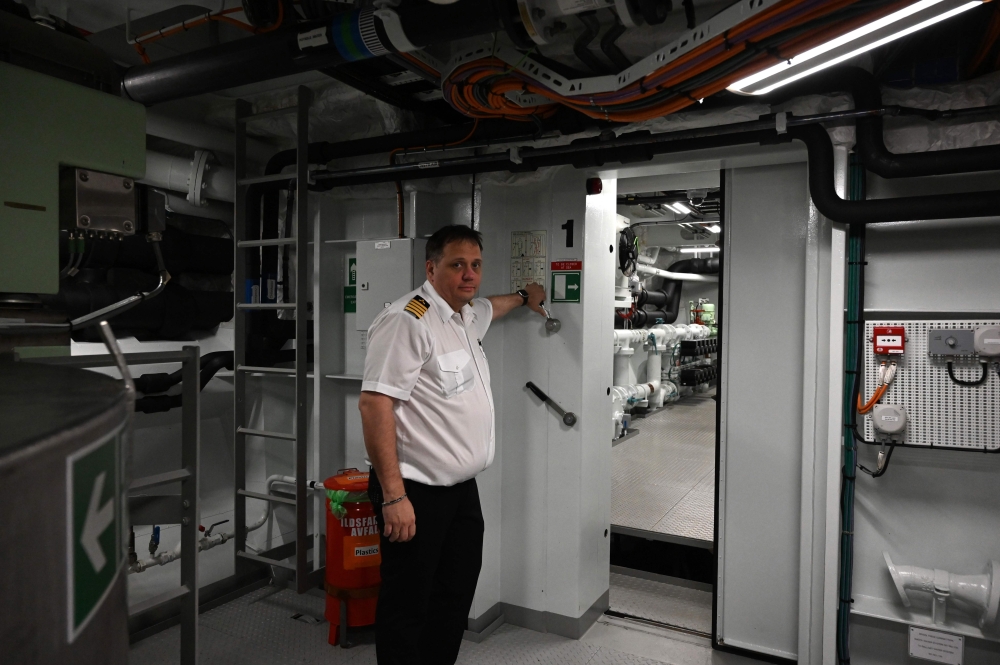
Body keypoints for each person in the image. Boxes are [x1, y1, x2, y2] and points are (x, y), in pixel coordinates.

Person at [359, 225, 546, 664]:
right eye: (457, 264)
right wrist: (393, 496)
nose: (469, 274)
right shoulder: (409, 319)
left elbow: (492, 307)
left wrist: (524, 295)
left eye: (476, 265)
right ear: (431, 267)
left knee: (454, 594)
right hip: (413, 492)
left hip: (460, 492)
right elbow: (374, 405)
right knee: (408, 603)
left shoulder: (463, 316)